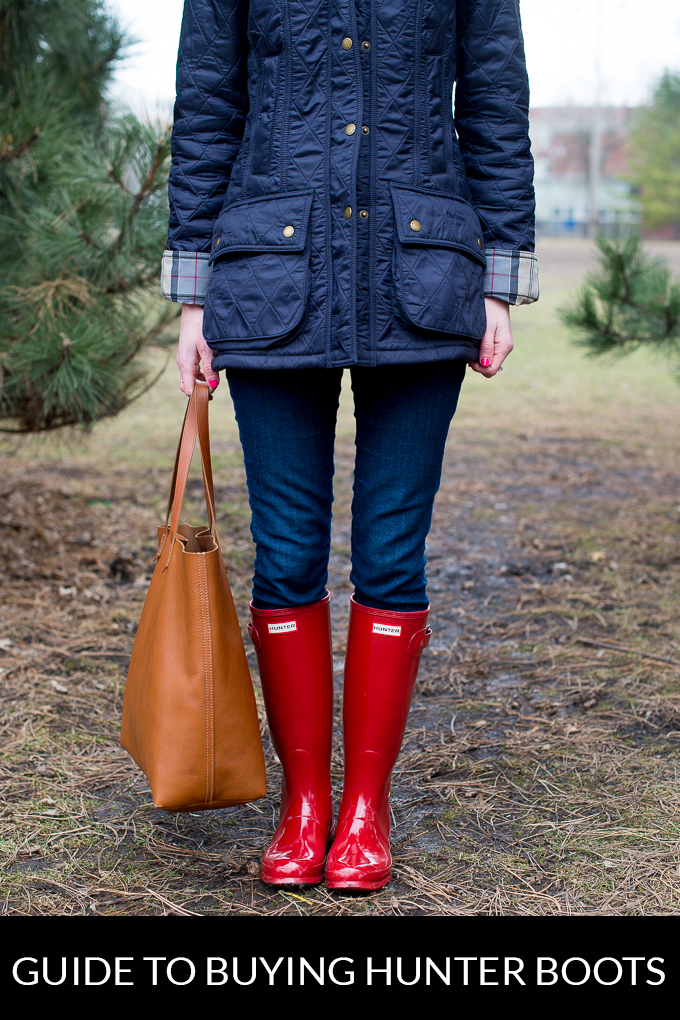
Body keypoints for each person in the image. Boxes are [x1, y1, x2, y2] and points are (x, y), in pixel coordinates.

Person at [162, 0, 538, 890]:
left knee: (392, 556)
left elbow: (493, 98)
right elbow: (208, 104)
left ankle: (365, 809)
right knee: (287, 555)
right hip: (266, 279)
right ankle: (304, 809)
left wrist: (502, 279)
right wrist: (191, 297)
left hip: (426, 273)